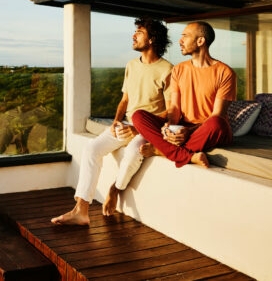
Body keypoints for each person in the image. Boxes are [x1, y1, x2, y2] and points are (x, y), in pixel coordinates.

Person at [51, 17, 172, 225]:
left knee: (133, 153)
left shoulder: (168, 70)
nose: (134, 36)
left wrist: (137, 129)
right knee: (91, 148)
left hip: (147, 129)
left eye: (139, 32)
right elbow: (125, 99)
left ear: (152, 39)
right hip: (125, 124)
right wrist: (116, 122)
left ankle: (114, 189)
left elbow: (170, 111)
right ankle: (81, 210)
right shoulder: (132, 65)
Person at [132, 21, 236, 168]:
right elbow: (174, 108)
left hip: (206, 129)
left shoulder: (225, 72)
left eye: (185, 36)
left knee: (218, 123)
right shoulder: (178, 70)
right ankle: (183, 154)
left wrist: (189, 131)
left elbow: (217, 115)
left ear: (200, 41)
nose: (180, 41)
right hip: (183, 127)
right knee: (138, 116)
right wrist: (169, 126)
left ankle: (163, 151)